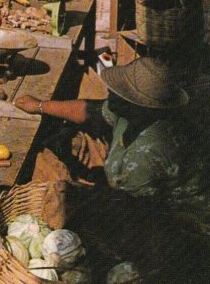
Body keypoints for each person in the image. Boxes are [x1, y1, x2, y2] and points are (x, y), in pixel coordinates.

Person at [15, 57, 209, 237]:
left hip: (180, 228)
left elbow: (126, 209)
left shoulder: (145, 155)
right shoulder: (135, 112)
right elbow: (91, 111)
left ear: (138, 106)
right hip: (133, 194)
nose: (110, 90)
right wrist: (40, 106)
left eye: (121, 91)